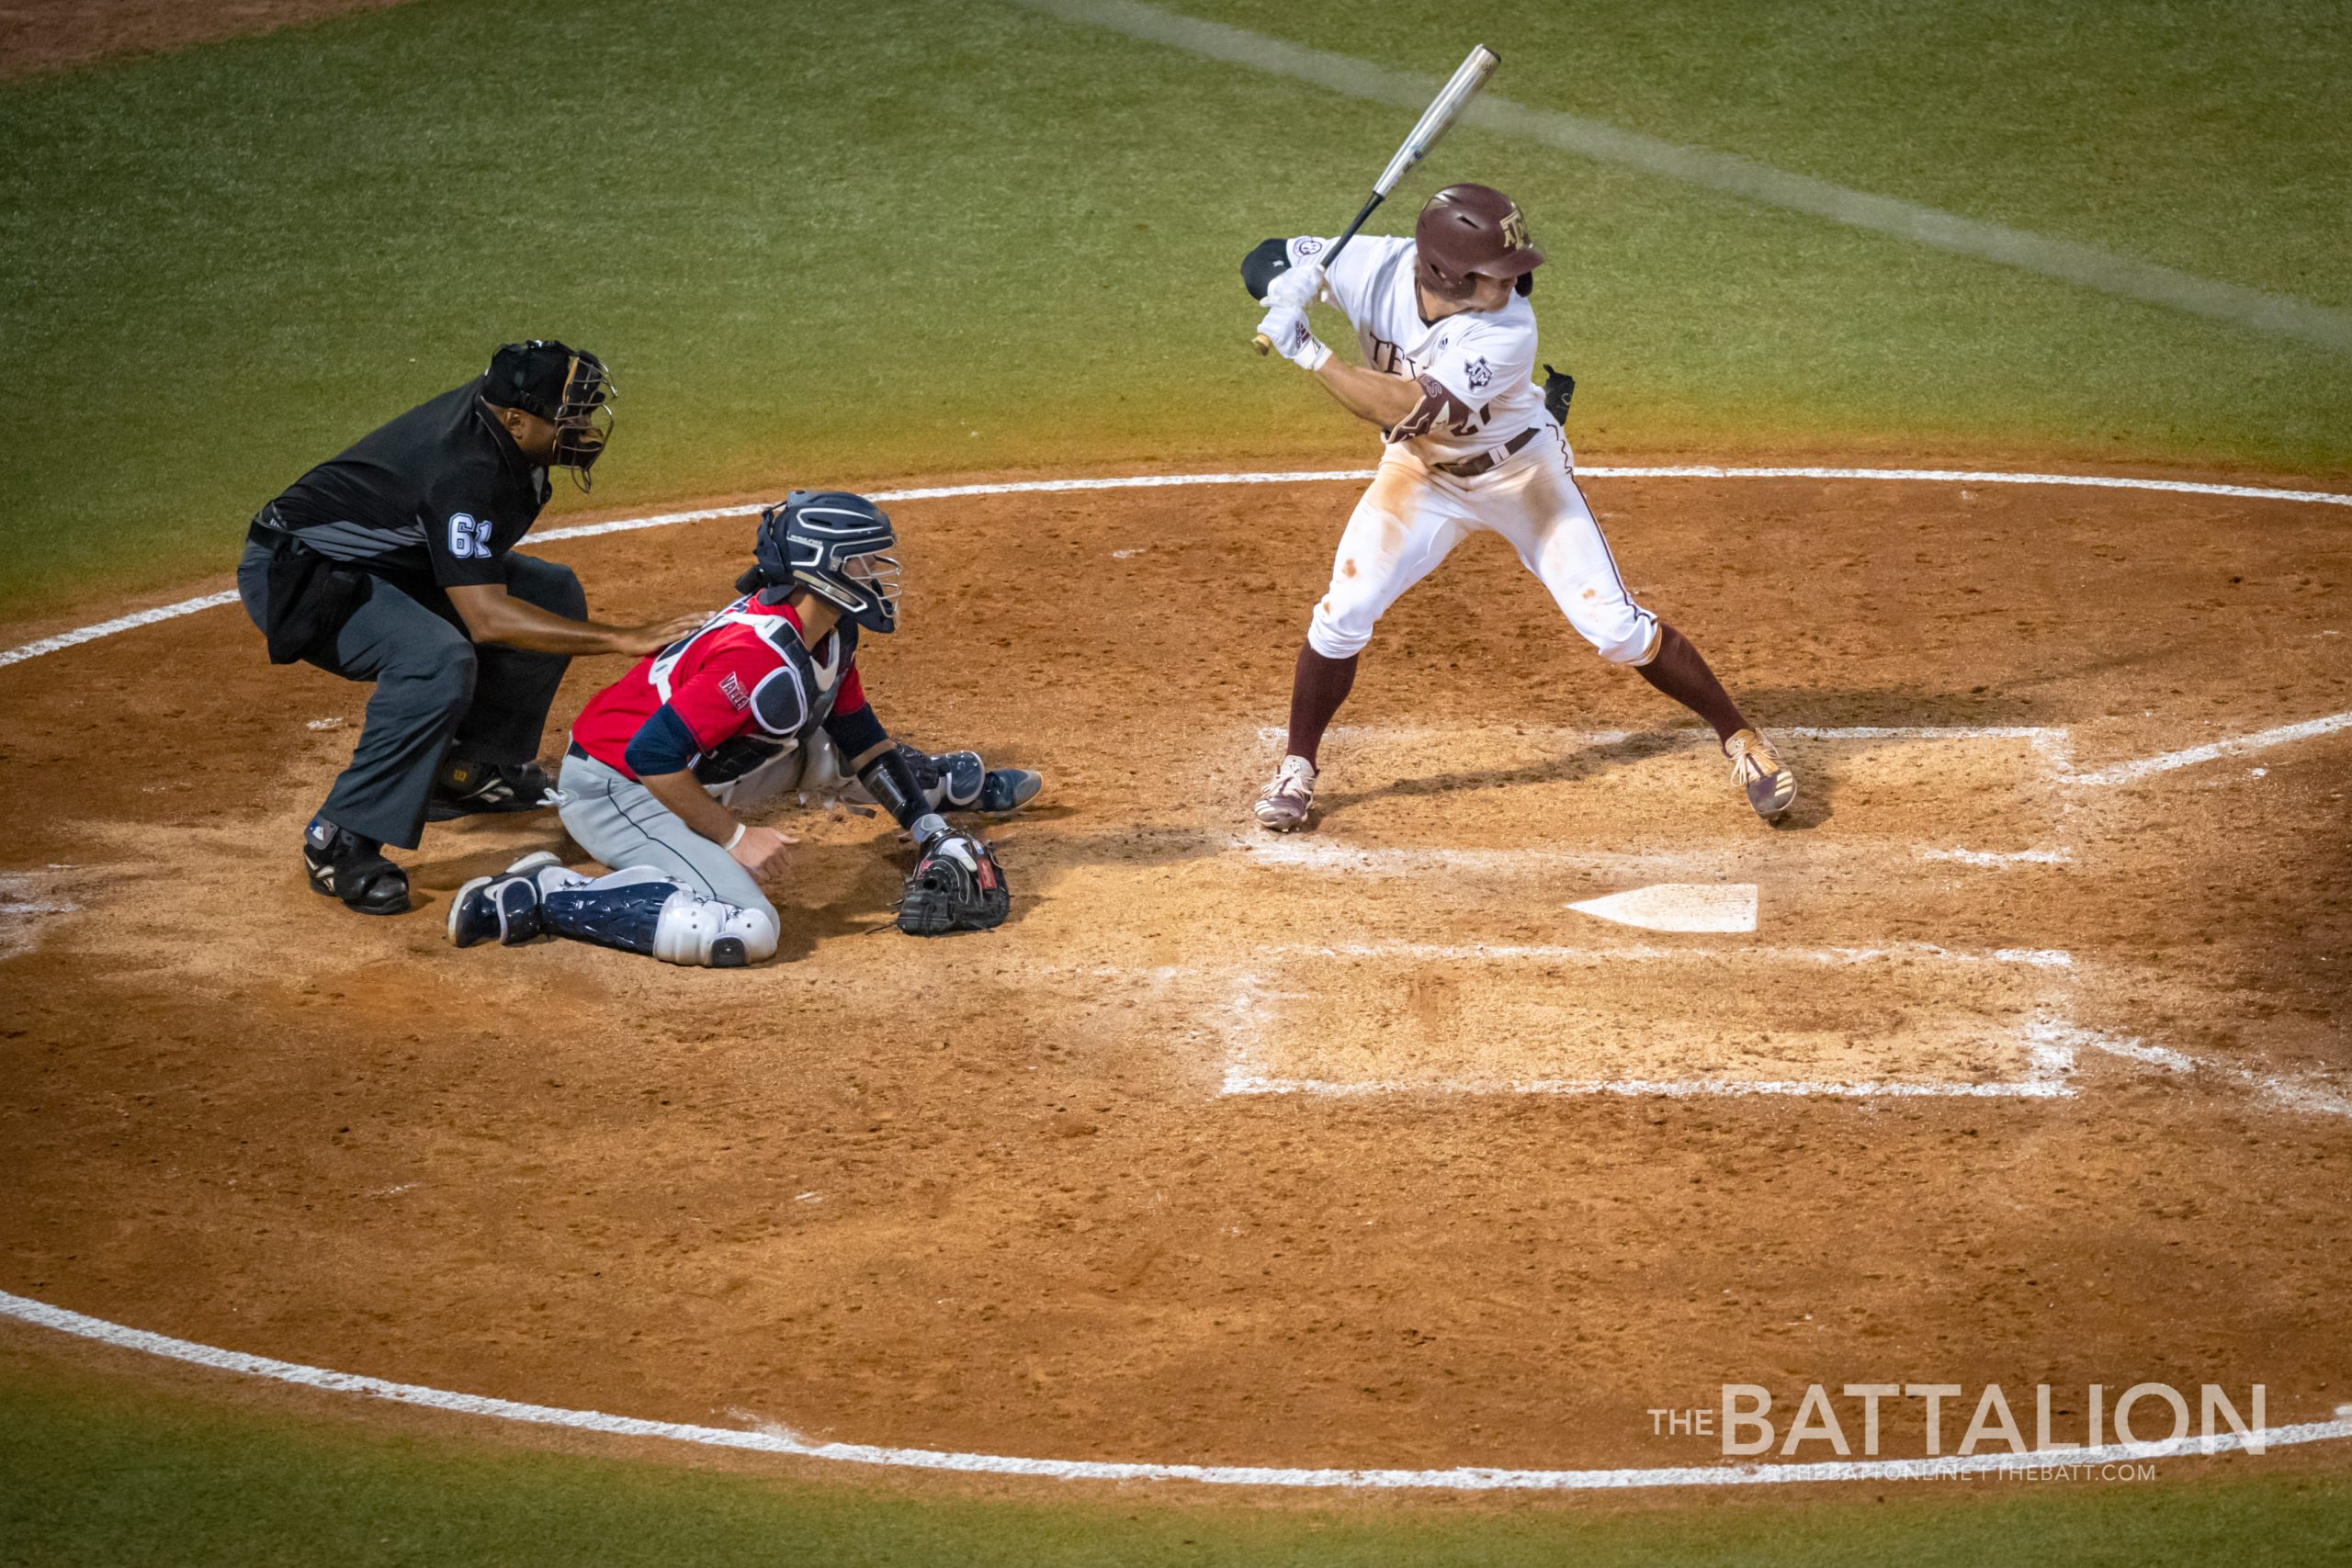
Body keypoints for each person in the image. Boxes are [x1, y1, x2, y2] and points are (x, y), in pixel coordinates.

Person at [1243, 185, 1798, 832]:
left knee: (1615, 627)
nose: (1513, 282)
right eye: (1497, 272)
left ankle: (1742, 739)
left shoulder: (1506, 329)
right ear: (1446, 272)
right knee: (1344, 611)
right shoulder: (1373, 265)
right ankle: (1297, 767)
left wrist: (1311, 352)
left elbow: (1403, 407)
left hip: (1519, 472)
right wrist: (1289, 281)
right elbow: (1261, 256)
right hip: (1420, 472)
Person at [445, 491, 1039, 967]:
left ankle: (941, 790)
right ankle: (538, 895)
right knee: (745, 928)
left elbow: (859, 735)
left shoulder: (829, 632)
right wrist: (735, 838)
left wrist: (927, 827)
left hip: (695, 764)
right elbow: (651, 755)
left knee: (827, 745)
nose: (878, 573)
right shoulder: (757, 660)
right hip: (616, 783)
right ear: (822, 570)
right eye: (862, 561)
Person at [237, 340, 701, 916]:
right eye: (568, 416)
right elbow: (486, 618)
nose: (581, 427)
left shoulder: (506, 433)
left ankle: (466, 770)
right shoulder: (465, 467)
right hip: (304, 575)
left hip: (391, 562)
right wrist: (621, 637)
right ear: (515, 418)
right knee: (435, 659)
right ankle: (340, 839)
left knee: (549, 592)